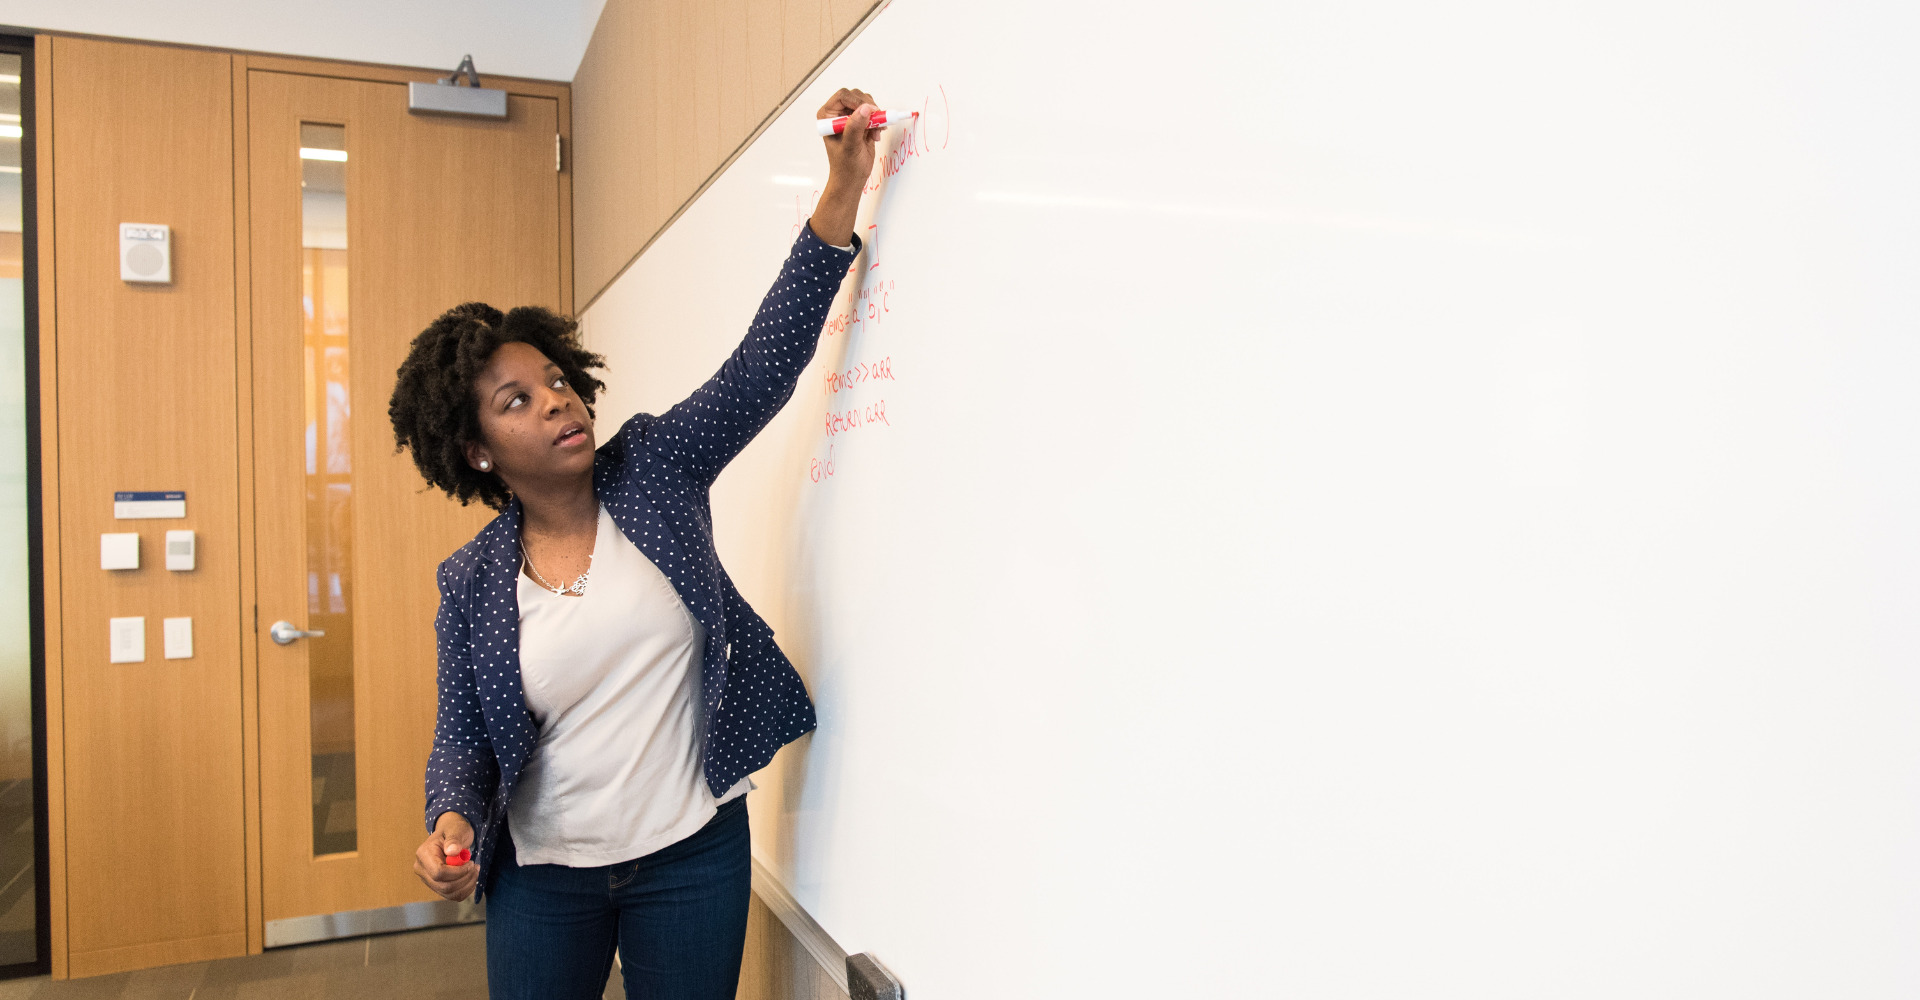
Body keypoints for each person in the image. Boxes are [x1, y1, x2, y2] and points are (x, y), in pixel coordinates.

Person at [385, 89, 883, 1000]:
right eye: (517, 403)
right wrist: (450, 821)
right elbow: (462, 734)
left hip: (692, 854)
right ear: (477, 453)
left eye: (555, 382)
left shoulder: (654, 467)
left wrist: (840, 189)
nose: (557, 404)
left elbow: (759, 369)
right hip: (543, 876)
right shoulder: (474, 583)